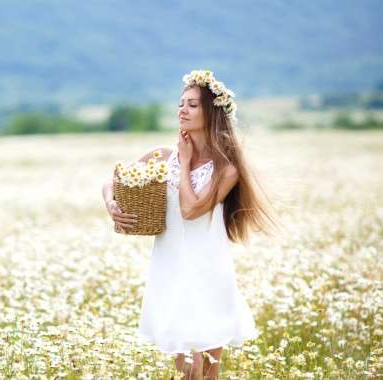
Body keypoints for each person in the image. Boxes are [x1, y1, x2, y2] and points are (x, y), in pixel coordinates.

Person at [101, 70, 278, 379]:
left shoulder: (226, 168)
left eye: (193, 105)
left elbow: (191, 209)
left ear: (211, 111)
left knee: (207, 370)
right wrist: (111, 204)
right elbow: (112, 182)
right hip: (171, 267)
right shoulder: (162, 155)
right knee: (186, 369)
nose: (182, 110)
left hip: (207, 270)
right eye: (181, 103)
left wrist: (183, 164)